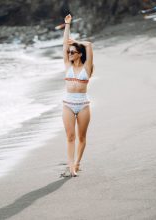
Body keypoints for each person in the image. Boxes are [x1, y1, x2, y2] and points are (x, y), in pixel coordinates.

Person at [60, 14, 94, 177]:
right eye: (69, 52)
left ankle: (78, 163)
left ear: (79, 54)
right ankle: (71, 166)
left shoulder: (87, 67)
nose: (70, 54)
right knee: (70, 136)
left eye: (73, 52)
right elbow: (64, 44)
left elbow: (88, 45)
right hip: (68, 103)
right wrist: (68, 24)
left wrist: (77, 43)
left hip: (83, 104)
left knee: (81, 136)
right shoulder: (67, 65)